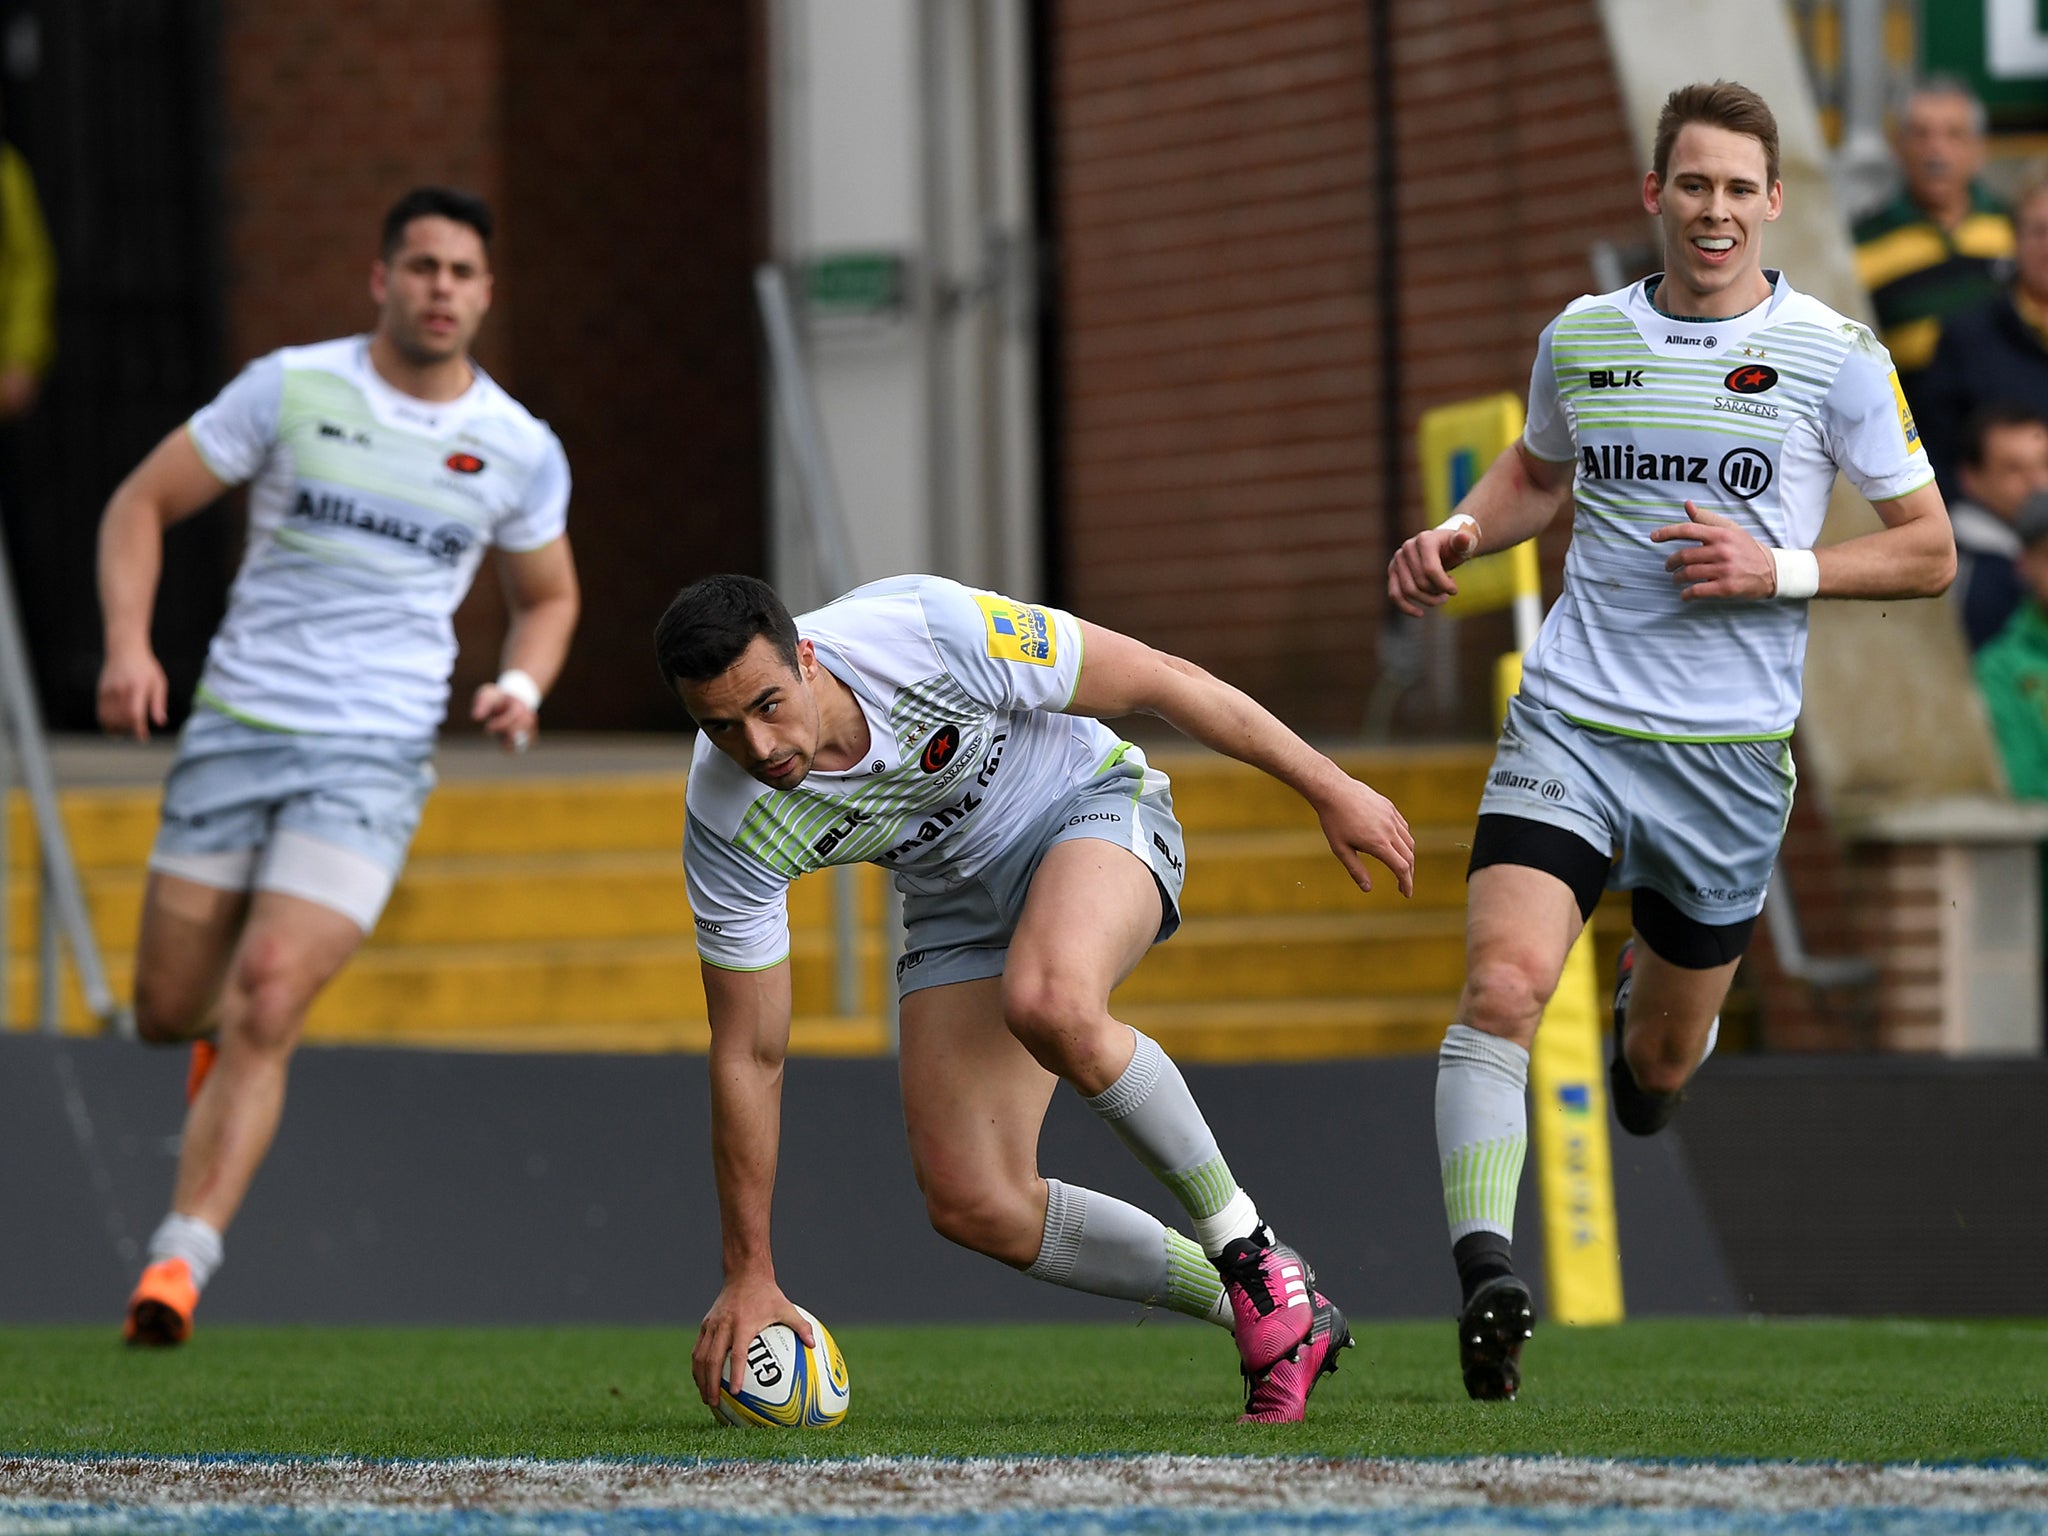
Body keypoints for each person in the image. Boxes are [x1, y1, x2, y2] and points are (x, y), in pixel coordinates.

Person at [1388, 81, 1954, 1402]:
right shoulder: (1583, 338)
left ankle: (1658, 1064)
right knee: (1505, 987)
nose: (1714, 211)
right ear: (1655, 196)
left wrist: (1782, 572)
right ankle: (1486, 1276)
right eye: (1690, 185)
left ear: (1772, 202)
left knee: (1655, 1061)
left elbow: (1927, 549)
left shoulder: (1835, 354)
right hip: (1575, 722)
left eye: (1738, 189)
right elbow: (1536, 475)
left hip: (1730, 763)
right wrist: (1466, 536)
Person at [655, 572, 1415, 1423]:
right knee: (974, 1201)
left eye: (766, 705)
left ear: (805, 656)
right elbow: (750, 1053)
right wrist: (749, 1271)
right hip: (953, 905)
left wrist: (1329, 786)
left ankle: (1247, 1247)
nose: (756, 746)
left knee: (1051, 1000)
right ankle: (1271, 1308)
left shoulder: (927, 634)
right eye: (720, 727)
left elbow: (1165, 677)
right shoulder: (727, 820)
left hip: (1089, 810)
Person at [96, 186, 580, 1346]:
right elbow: (138, 504)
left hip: (372, 754)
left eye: (462, 272)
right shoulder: (291, 388)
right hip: (237, 727)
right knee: (168, 1009)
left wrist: (522, 682)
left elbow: (549, 598)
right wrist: (125, 647)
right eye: (420, 267)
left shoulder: (517, 447)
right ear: (380, 279)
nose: (440, 290)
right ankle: (203, 1047)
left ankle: (180, 1262)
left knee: (271, 994)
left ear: (486, 293)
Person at [1852, 78, 2012, 412]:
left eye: (1953, 134)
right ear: (1898, 144)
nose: (1935, 150)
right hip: (1917, 433)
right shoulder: (1862, 244)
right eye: (1921, 134)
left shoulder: (2016, 229)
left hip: (2013, 431)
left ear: (1978, 149)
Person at [1917, 178, 2048, 491]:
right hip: (1995, 531)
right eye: (2040, 232)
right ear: (2014, 239)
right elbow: (1933, 459)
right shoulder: (1965, 338)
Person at [1948, 407, 2048, 651]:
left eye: (2044, 463)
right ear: (1970, 478)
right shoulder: (1970, 574)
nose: (2037, 481)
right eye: (2014, 469)